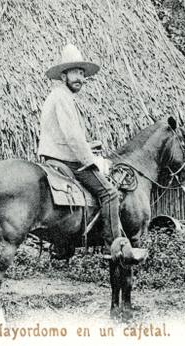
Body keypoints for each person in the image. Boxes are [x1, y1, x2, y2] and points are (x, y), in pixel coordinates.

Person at [37, 43, 133, 259]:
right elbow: (72, 137)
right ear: (63, 76)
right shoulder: (63, 97)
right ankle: (114, 246)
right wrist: (91, 159)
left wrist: (89, 146)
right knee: (110, 193)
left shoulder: (59, 96)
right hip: (67, 160)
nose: (81, 78)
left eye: (82, 73)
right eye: (75, 73)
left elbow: (62, 136)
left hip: (56, 154)